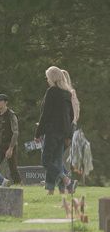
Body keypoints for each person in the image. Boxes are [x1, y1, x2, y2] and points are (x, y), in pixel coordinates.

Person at [36, 65, 75, 194]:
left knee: (46, 161)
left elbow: (45, 114)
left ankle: (66, 180)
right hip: (63, 133)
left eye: (47, 77)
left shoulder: (52, 91)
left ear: (52, 78)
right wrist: (69, 135)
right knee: (56, 161)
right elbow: (71, 117)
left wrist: (38, 133)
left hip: (52, 131)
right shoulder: (67, 93)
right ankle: (52, 189)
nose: (47, 80)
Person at [0, 94, 22, 185]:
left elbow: (15, 132)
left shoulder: (11, 115)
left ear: (5, 102)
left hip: (9, 145)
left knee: (13, 168)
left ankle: (18, 185)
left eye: (0, 101)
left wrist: (11, 148)